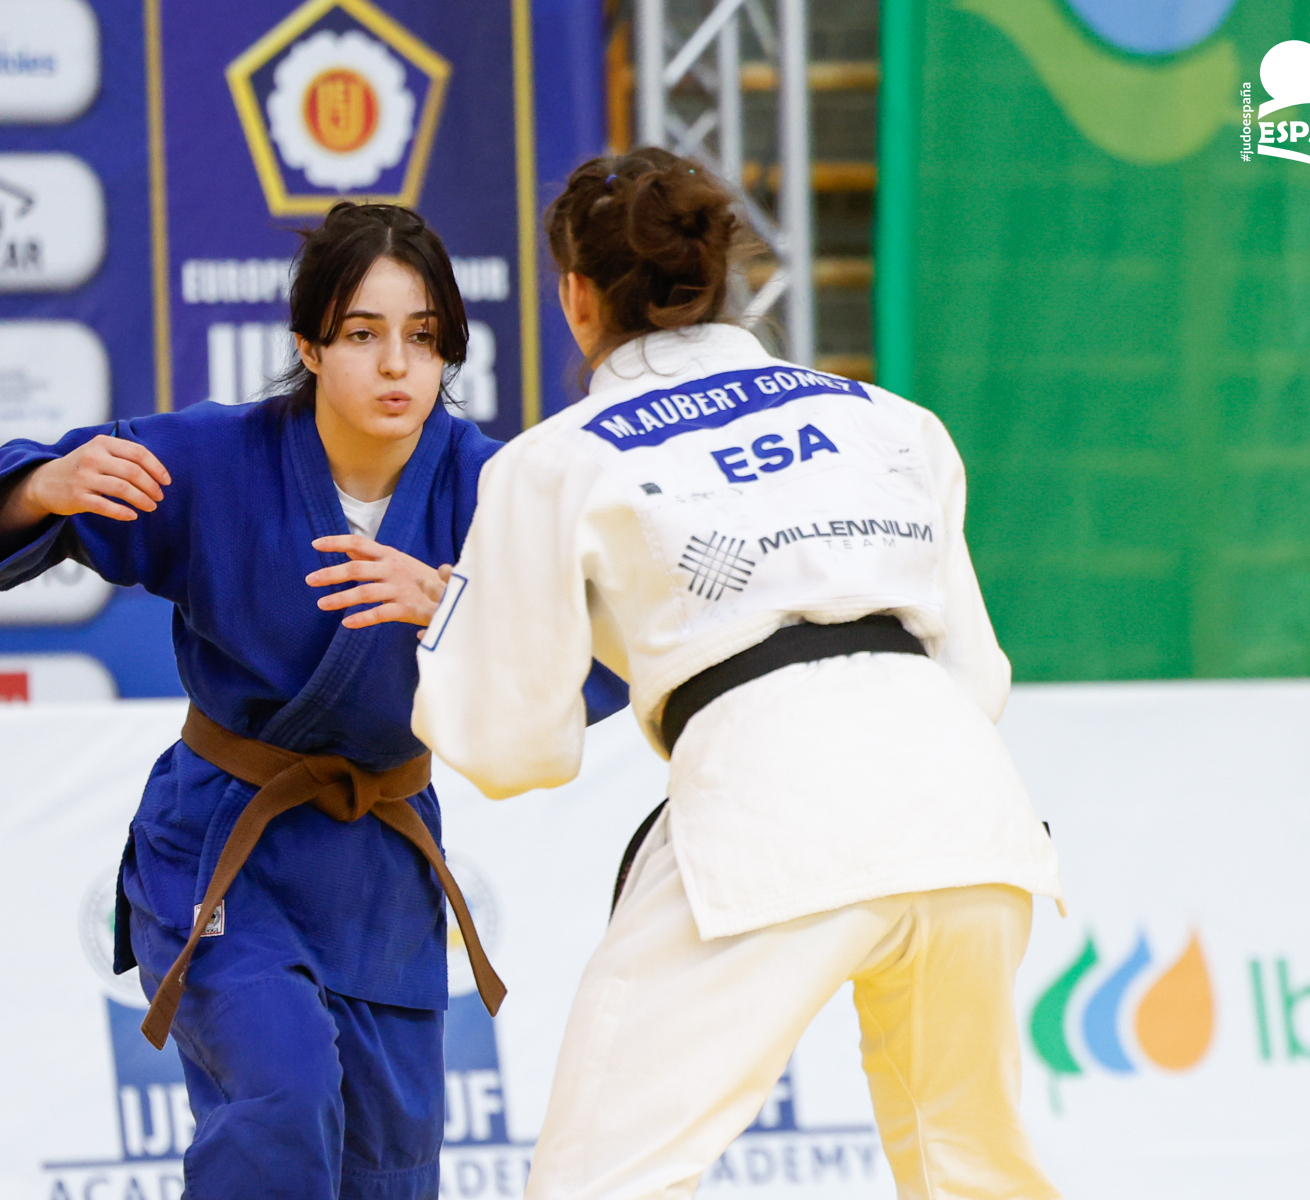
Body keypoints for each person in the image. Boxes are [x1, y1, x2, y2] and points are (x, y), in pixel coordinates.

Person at [411, 148, 1065, 1200]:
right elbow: (975, 674)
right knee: (971, 1171)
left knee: (604, 1180)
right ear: (722, 278)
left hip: (774, 809)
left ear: (577, 297)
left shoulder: (556, 460)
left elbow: (511, 746)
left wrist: (455, 614)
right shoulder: (890, 421)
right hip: (968, 810)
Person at [0, 202, 621, 1200]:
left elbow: (603, 655)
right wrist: (44, 485)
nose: (396, 366)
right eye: (362, 334)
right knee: (282, 1097)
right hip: (225, 849)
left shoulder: (498, 489)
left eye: (422, 336)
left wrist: (452, 606)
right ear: (309, 345)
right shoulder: (217, 458)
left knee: (387, 1169)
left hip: (381, 876)